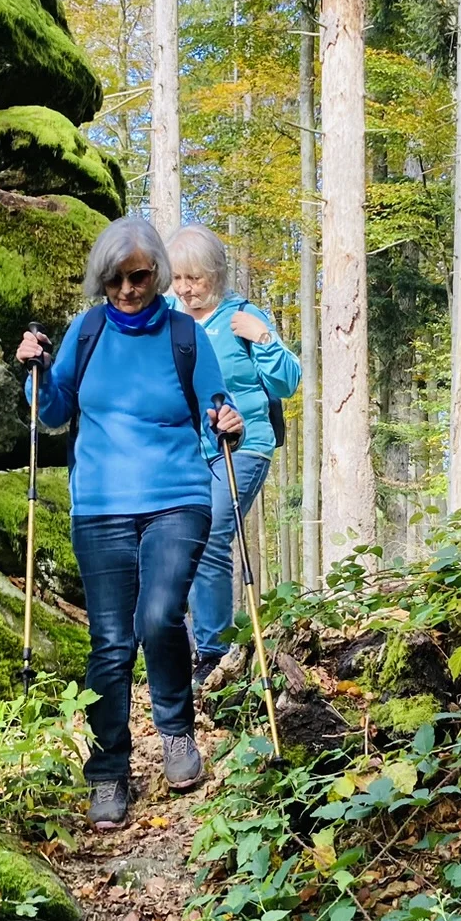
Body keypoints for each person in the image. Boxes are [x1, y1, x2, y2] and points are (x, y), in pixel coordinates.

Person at [16, 218, 243, 831]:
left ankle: (175, 730)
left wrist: (227, 421)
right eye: (114, 279)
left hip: (177, 497)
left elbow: (219, 405)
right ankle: (108, 770)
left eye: (138, 276)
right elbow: (53, 411)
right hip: (101, 505)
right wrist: (36, 373)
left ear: (157, 274)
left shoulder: (184, 335)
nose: (127, 289)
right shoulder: (86, 332)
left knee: (159, 616)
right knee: (112, 641)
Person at [167, 226, 301, 686]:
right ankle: (180, 648)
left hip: (242, 447)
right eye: (178, 278)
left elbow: (287, 382)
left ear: (217, 275)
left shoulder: (242, 316)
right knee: (172, 543)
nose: (186, 289)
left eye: (195, 279)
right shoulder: (167, 318)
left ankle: (213, 654)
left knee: (209, 536)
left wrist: (263, 339)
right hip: (184, 452)